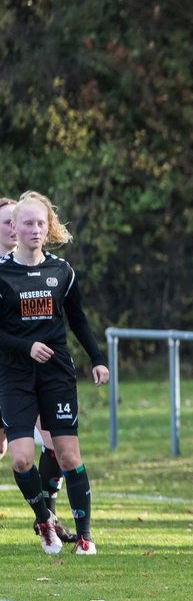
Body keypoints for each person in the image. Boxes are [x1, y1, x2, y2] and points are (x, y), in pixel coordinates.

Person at [0, 191, 109, 556]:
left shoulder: (61, 271)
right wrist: (24, 347)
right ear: (14, 226)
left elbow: (77, 318)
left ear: (49, 228)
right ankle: (44, 517)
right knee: (20, 458)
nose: (34, 229)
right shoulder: (2, 273)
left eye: (40, 223)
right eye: (27, 223)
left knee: (67, 456)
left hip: (56, 374)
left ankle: (85, 537)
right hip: (15, 374)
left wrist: (97, 358)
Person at [0, 197, 74, 542]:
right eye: (10, 222)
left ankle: (47, 516)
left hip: (33, 371)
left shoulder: (40, 266)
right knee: (8, 451)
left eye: (35, 222)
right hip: (9, 370)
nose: (23, 229)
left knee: (54, 444)